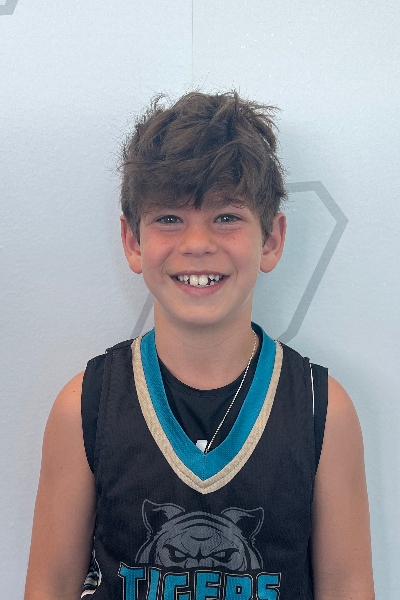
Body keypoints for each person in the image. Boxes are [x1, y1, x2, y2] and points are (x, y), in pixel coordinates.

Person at [24, 91, 374, 600]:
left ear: (271, 240)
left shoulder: (324, 410)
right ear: (133, 242)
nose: (197, 243)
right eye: (169, 217)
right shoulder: (84, 406)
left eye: (226, 216)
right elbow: (49, 585)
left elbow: (347, 586)